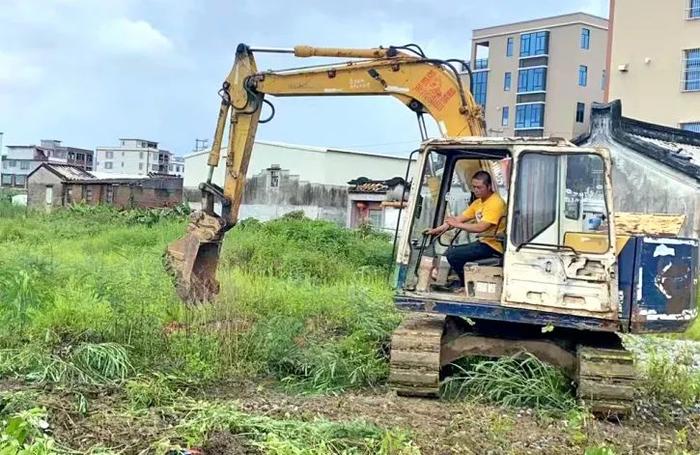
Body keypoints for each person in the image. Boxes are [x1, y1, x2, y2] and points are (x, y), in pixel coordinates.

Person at [425, 171, 507, 289]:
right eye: (473, 187)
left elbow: (481, 227)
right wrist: (435, 230)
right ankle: (450, 281)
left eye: (479, 187)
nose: (476, 190)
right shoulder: (478, 203)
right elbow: (458, 219)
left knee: (453, 255)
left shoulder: (496, 203)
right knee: (450, 251)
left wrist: (458, 224)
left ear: (489, 186)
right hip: (484, 242)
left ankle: (465, 285)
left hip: (494, 245)